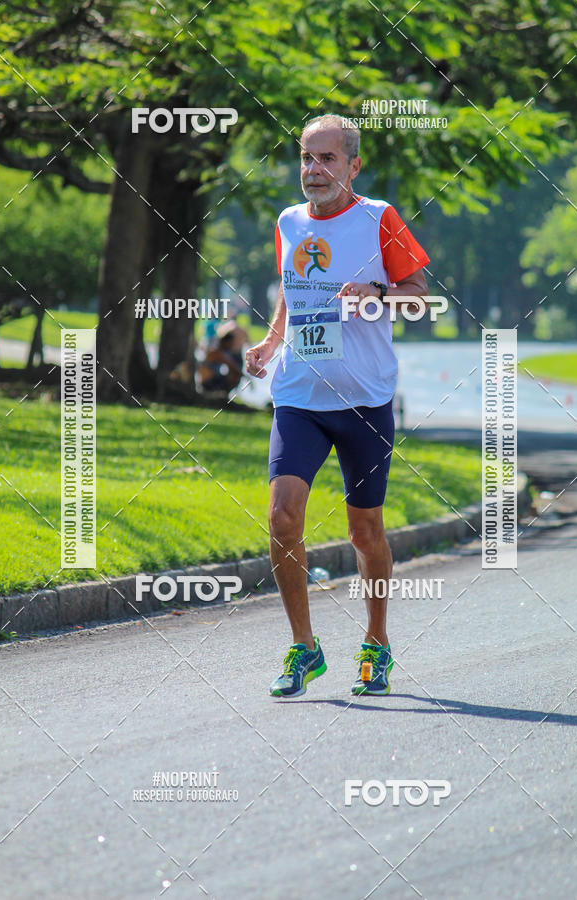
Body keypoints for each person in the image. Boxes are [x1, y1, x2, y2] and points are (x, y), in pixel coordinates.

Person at [245, 114, 430, 698]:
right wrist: (272, 341)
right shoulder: (288, 221)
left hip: (364, 401)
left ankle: (376, 642)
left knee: (364, 530)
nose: (314, 169)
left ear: (353, 165)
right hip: (299, 396)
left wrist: (376, 293)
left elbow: (420, 298)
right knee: (282, 517)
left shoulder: (380, 219)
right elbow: (291, 287)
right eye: (306, 157)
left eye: (327, 158)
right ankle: (304, 647)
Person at [198, 320, 247, 395]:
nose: (232, 346)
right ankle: (222, 395)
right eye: (231, 343)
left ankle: (223, 395)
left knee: (233, 375)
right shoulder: (216, 352)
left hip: (213, 378)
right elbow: (233, 367)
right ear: (225, 342)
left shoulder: (222, 352)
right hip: (207, 382)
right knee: (235, 375)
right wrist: (246, 378)